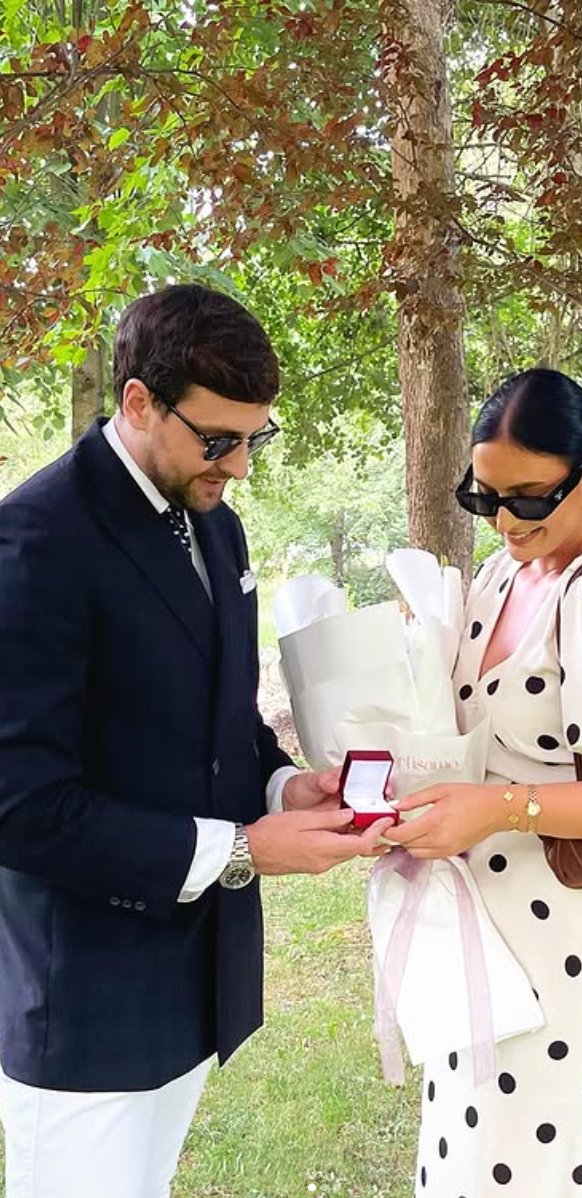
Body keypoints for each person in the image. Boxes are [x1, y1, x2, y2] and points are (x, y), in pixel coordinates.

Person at [0, 284, 389, 1198]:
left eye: (257, 437)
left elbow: (220, 714)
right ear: (139, 401)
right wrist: (244, 850)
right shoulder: (34, 541)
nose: (241, 466)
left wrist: (282, 786)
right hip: (84, 1001)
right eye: (219, 440)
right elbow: (20, 809)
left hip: (191, 982)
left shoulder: (215, 523)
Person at [386, 368, 582, 1198]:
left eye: (528, 498)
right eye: (484, 498)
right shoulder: (502, 574)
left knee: (536, 1166)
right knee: (469, 1156)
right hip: (474, 929)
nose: (505, 520)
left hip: (561, 946)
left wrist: (503, 808)